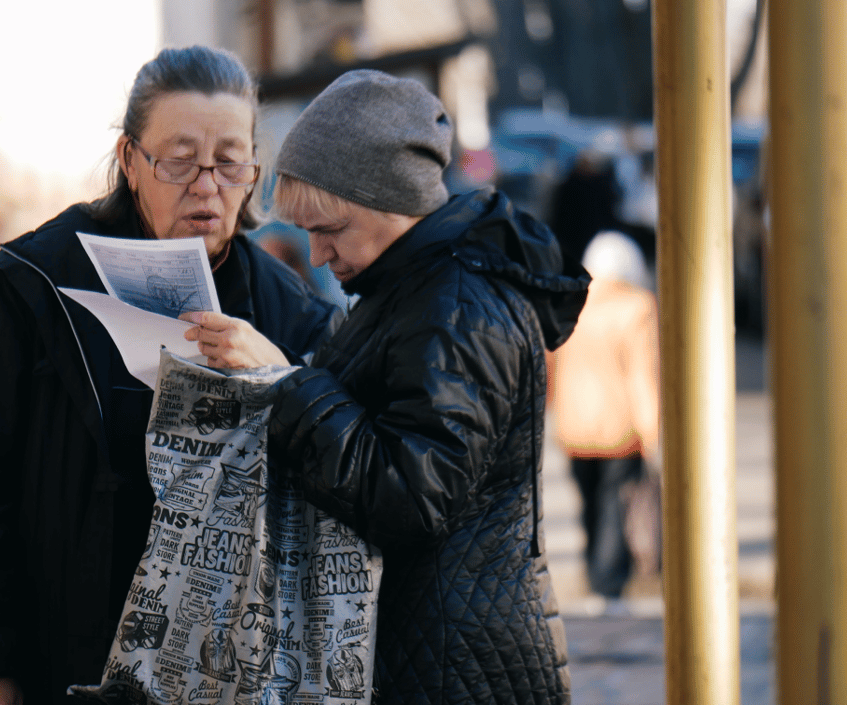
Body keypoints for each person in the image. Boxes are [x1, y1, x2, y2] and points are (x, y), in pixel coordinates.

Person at [0, 45, 342, 705]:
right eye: (179, 160)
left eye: (229, 161)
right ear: (130, 161)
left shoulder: (293, 313)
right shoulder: (37, 285)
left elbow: (333, 491)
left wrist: (282, 378)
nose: (207, 185)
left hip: (229, 676)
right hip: (58, 659)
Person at [182, 70, 588, 704]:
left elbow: (412, 499)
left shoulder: (455, 308)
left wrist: (285, 384)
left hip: (455, 670)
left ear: (389, 202)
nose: (317, 254)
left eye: (330, 228)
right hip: (436, 653)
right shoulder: (411, 290)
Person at [546, 230, 661, 603]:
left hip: (573, 427)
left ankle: (595, 573)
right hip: (621, 428)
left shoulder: (569, 302)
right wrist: (652, 431)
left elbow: (549, 363)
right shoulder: (638, 307)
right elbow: (643, 374)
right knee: (615, 504)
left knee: (590, 504)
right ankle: (607, 585)